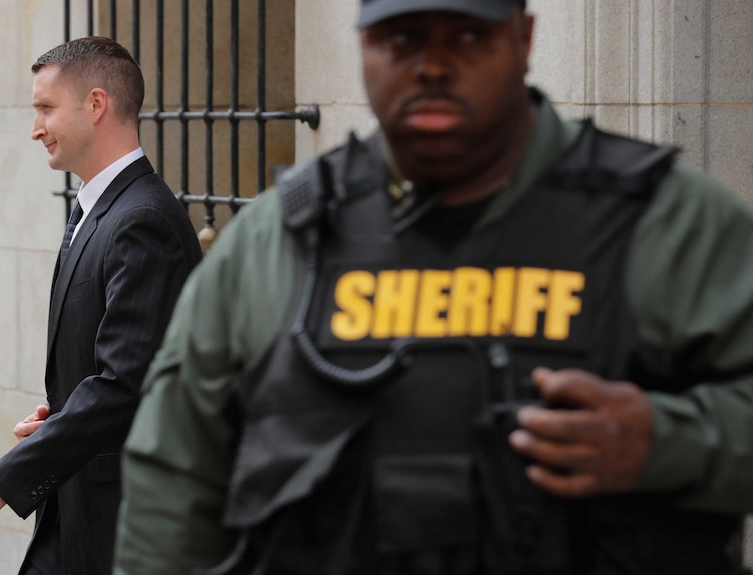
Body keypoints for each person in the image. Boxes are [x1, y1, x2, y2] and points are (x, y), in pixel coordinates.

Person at [114, 1, 753, 573]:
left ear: (524, 38)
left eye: (469, 35)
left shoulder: (666, 222)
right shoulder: (274, 241)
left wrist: (672, 443)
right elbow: (173, 477)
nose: (433, 66)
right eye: (402, 37)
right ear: (362, 44)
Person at [0, 36, 203, 575]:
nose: (36, 128)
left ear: (96, 104)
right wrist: (58, 417)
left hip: (122, 526)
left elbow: (124, 385)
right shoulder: (96, 212)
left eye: (45, 108)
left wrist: (0, 483)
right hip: (77, 511)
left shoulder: (143, 220)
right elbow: (111, 370)